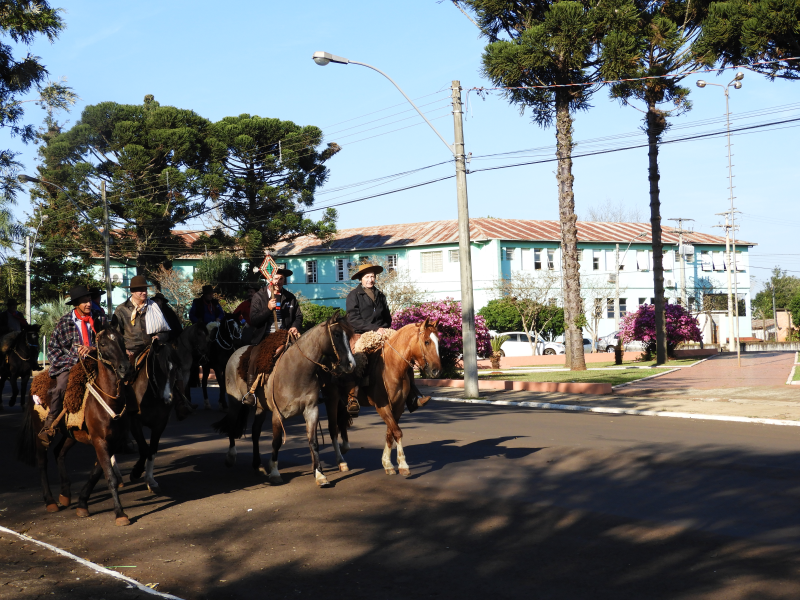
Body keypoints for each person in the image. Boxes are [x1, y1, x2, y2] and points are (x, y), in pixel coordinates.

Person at [345, 263, 429, 416]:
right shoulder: (353, 296)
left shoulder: (380, 295)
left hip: (382, 332)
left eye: (372, 276)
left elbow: (387, 318)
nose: (371, 279)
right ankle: (353, 397)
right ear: (361, 279)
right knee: (358, 359)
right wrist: (373, 328)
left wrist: (382, 329)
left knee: (403, 355)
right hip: (360, 334)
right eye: (367, 277)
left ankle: (413, 395)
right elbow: (353, 319)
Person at [38, 285, 108, 446]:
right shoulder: (64, 322)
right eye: (84, 302)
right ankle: (49, 425)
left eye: (89, 300)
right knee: (61, 387)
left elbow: (109, 341)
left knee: (119, 381)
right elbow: (53, 349)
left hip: (97, 360)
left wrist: (93, 349)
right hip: (71, 364)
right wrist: (72, 359)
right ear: (76, 304)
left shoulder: (100, 318)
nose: (88, 304)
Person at [241, 269, 302, 406]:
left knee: (306, 353)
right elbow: (254, 320)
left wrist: (295, 326)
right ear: (269, 279)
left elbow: (298, 316)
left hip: (286, 335)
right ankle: (250, 392)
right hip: (265, 336)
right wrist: (268, 309)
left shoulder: (290, 297)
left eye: (281, 279)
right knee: (255, 357)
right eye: (276, 278)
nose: (278, 282)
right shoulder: (259, 296)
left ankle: (309, 389)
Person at [112, 275, 172, 361]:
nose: (144, 292)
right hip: (130, 353)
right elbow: (115, 334)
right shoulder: (121, 310)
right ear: (132, 291)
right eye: (141, 290)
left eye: (145, 289)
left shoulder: (154, 307)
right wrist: (123, 350)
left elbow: (165, 332)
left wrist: (158, 337)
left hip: (152, 351)